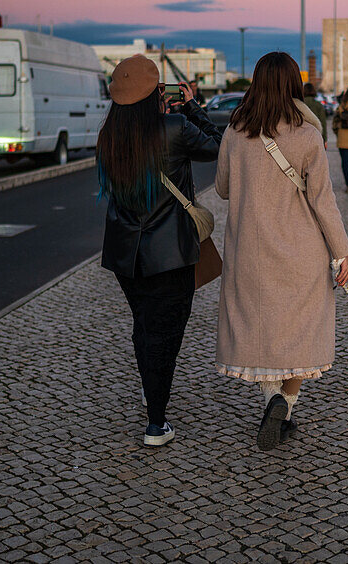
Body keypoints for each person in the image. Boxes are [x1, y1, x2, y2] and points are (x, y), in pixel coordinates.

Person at [215, 52, 348, 451]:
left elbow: (223, 189)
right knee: (299, 332)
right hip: (300, 252)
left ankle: (272, 401)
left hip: (248, 253)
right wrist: (341, 254)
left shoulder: (234, 132)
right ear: (294, 84)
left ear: (256, 83)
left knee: (258, 328)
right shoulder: (308, 136)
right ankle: (286, 407)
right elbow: (324, 201)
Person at [97, 54, 223, 448]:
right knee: (165, 333)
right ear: (157, 93)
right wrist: (190, 105)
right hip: (170, 252)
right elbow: (219, 146)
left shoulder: (109, 134)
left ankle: (151, 387)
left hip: (124, 252)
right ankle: (156, 422)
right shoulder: (175, 127)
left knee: (145, 324)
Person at [303, 82, 328, 149]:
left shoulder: (299, 105)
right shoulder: (318, 105)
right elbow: (323, 123)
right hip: (316, 137)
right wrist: (324, 139)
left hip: (302, 138)